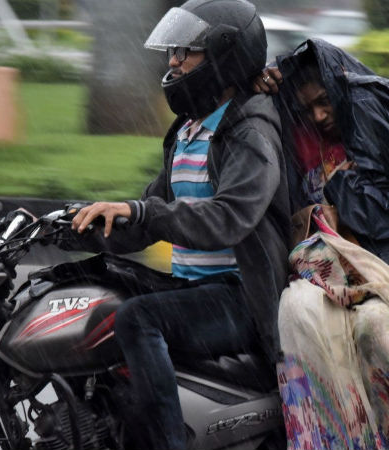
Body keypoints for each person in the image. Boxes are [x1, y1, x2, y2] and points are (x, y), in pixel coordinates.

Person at [66, 1, 291, 448]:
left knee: (136, 319)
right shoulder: (191, 131)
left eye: (187, 51)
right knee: (92, 300)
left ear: (226, 54)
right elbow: (151, 215)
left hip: (240, 296)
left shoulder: (251, 134)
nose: (173, 61)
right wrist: (80, 223)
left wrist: (146, 213)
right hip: (192, 287)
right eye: (173, 50)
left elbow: (228, 219)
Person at [252, 40, 389, 450]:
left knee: (375, 328)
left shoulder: (372, 123)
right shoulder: (294, 138)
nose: (319, 115)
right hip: (318, 270)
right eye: (308, 107)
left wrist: (345, 191)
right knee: (296, 317)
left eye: (325, 101)